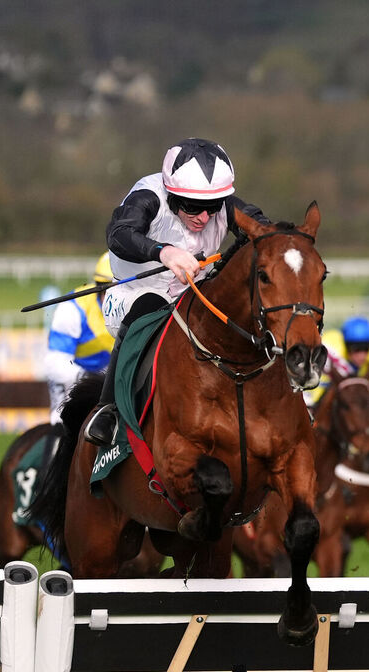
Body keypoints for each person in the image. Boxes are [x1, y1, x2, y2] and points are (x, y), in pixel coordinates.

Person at [83, 138, 271, 446]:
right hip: (135, 294)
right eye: (193, 207)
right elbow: (119, 234)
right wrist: (163, 252)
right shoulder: (148, 196)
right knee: (152, 303)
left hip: (195, 294)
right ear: (171, 194)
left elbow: (263, 228)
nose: (204, 218)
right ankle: (108, 409)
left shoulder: (219, 204)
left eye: (212, 208)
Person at [43, 253, 116, 424]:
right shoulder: (73, 308)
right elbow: (54, 363)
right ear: (99, 288)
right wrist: (93, 380)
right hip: (71, 383)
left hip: (107, 383)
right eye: (110, 291)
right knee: (62, 425)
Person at [307, 316, 369, 407]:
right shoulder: (330, 353)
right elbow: (316, 393)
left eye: (366, 348)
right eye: (356, 349)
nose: (362, 355)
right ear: (345, 345)